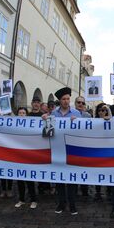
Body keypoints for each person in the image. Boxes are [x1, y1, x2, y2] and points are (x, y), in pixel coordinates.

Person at [46, 87, 82, 215]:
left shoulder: (77, 114)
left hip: (72, 150)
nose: (66, 101)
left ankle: (72, 204)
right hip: (58, 149)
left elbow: (82, 133)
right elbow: (48, 133)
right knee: (60, 179)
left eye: (68, 99)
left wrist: (77, 123)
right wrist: (46, 121)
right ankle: (61, 203)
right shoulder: (53, 114)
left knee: (72, 179)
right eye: (63, 99)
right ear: (59, 101)